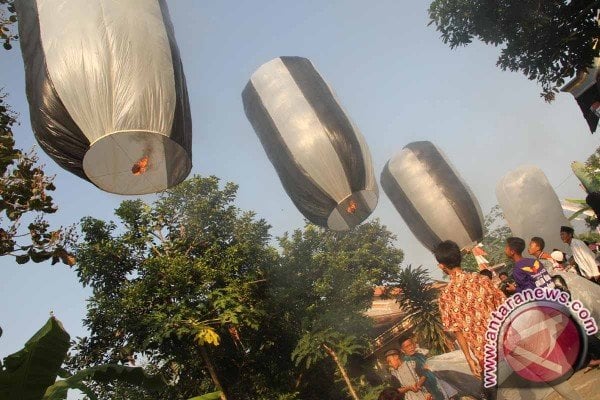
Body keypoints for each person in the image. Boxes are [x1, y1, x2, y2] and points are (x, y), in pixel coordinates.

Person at [434, 240, 505, 380]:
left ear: (442, 266)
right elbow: (504, 308)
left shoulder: (445, 296)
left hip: (485, 356)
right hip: (507, 345)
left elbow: (457, 331)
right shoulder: (483, 280)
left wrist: (469, 359)